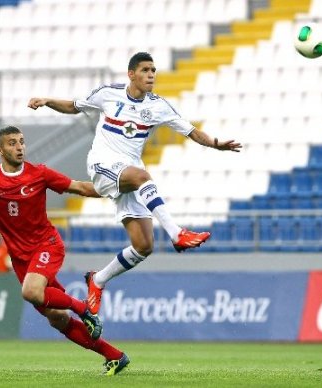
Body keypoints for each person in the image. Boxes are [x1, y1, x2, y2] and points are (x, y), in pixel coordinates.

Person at [27, 52, 242, 315]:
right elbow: (74, 105)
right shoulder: (109, 93)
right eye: (145, 70)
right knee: (142, 176)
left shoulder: (158, 106)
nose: (151, 74)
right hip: (102, 164)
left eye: (153, 70)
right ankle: (177, 233)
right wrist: (48, 100)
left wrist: (215, 144)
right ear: (131, 74)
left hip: (128, 172)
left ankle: (97, 280)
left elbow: (192, 131)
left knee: (143, 246)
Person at [0, 125, 129, 376]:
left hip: (47, 245)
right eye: (12, 143)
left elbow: (80, 188)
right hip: (20, 259)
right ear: (0, 150)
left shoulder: (40, 174)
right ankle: (114, 356)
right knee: (57, 318)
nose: (19, 147)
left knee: (31, 291)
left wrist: (117, 188)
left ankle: (85, 309)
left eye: (22, 142)